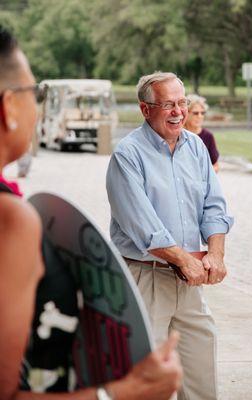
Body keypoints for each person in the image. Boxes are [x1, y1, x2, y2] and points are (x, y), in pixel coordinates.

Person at [0, 27, 182, 400]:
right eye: (33, 94)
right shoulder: (11, 221)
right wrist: (127, 391)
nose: (37, 106)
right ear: (7, 107)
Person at [106, 71, 234, 399]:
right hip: (145, 278)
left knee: (201, 372)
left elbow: (215, 206)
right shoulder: (127, 154)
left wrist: (215, 254)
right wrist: (182, 260)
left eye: (182, 102)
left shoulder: (196, 147)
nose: (178, 111)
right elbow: (143, 226)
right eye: (167, 105)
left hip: (189, 281)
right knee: (146, 379)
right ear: (145, 109)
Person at [184, 94, 220, 172]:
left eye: (202, 113)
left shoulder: (208, 136)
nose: (200, 116)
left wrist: (202, 174)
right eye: (195, 113)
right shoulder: (178, 135)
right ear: (186, 113)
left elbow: (216, 166)